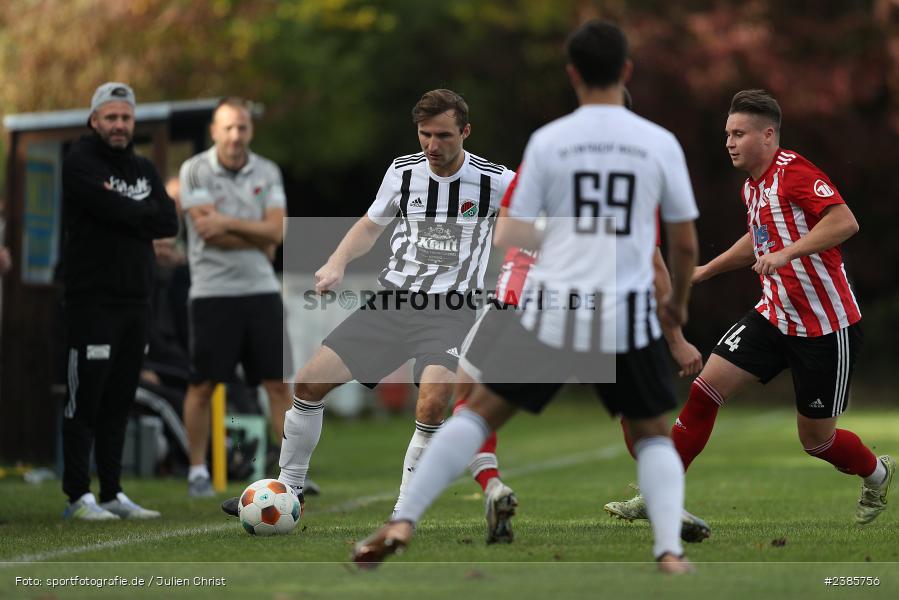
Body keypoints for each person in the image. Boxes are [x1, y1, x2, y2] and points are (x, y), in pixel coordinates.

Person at [353, 21, 700, 573]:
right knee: (653, 432)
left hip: (552, 304)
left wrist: (565, 237)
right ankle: (668, 552)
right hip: (622, 311)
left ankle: (403, 520)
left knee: (477, 412)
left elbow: (510, 233)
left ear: (572, 75)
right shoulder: (658, 143)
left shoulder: (550, 142)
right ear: (626, 71)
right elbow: (682, 242)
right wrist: (677, 307)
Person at [604, 89, 894, 526]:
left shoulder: (795, 172)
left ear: (768, 135)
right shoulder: (753, 187)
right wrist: (706, 271)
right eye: (727, 134)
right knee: (705, 391)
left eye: (739, 133)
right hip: (774, 314)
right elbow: (757, 238)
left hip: (825, 326)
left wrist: (787, 253)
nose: (729, 142)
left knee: (817, 441)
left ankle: (878, 473)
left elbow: (843, 221)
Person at [221, 88, 514, 519]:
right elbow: (369, 226)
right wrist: (336, 262)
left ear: (465, 132)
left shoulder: (495, 180)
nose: (432, 146)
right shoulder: (403, 171)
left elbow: (538, 214)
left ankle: (403, 513)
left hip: (452, 311)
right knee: (307, 383)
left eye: (444, 136)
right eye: (424, 134)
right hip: (392, 303)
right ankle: (290, 490)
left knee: (432, 402)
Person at [61, 82, 178, 519]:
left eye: (125, 117)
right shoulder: (79, 161)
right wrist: (135, 215)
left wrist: (127, 214)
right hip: (92, 302)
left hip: (136, 302)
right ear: (94, 121)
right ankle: (78, 496)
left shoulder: (144, 168)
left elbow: (168, 221)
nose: (118, 125)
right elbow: (114, 209)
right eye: (110, 117)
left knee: (118, 400)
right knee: (85, 399)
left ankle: (111, 493)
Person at [179, 97, 294, 497]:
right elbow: (207, 232)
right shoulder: (194, 170)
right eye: (227, 127)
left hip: (261, 290)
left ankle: (291, 472)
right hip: (212, 293)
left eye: (242, 127)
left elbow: (276, 233)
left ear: (250, 130)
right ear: (214, 131)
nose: (235, 135)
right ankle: (197, 470)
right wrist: (255, 232)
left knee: (278, 384)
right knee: (203, 385)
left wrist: (227, 221)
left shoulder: (268, 170)